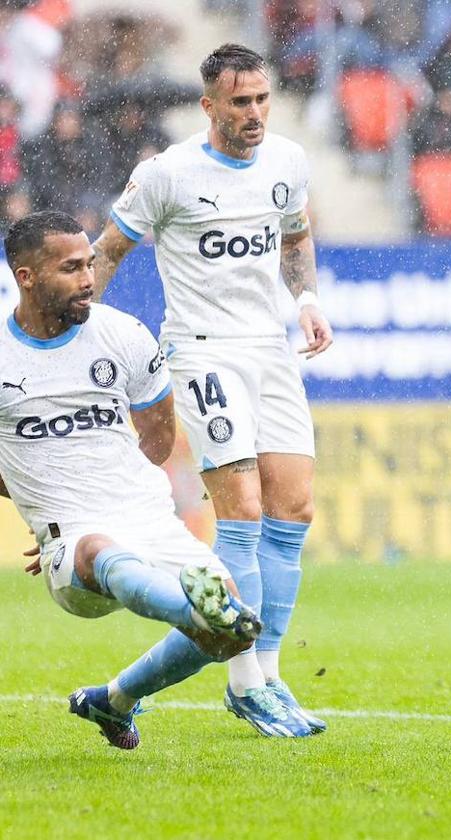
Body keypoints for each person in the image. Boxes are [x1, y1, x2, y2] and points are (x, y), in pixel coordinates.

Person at [89, 43, 333, 738]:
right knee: (244, 513)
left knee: (295, 510)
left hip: (270, 349)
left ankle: (272, 675)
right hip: (202, 353)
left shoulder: (288, 160)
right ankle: (243, 680)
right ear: (209, 105)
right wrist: (75, 325)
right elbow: (108, 248)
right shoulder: (167, 174)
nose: (254, 113)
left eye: (261, 99)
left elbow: (294, 236)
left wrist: (308, 297)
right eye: (239, 102)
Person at [0, 211, 260, 749]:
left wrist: (109, 494)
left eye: (90, 264)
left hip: (146, 517)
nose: (88, 279)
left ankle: (113, 701)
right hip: (75, 535)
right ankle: (193, 608)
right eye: (71, 268)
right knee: (99, 549)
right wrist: (40, 498)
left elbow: (159, 437)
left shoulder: (122, 334)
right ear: (25, 277)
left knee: (228, 636)